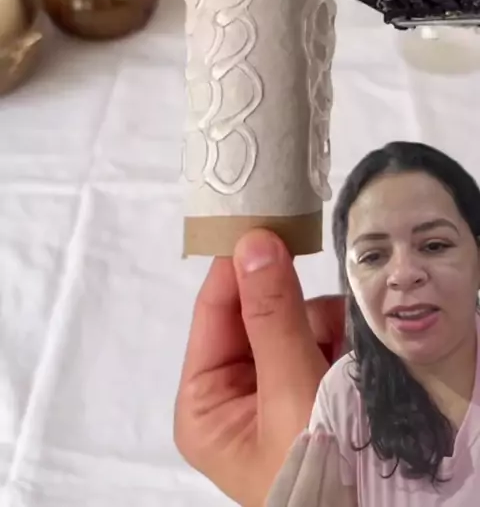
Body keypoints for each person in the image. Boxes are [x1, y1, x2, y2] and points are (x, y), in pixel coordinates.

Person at [174, 141, 480, 506]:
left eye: (434, 245)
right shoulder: (344, 397)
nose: (403, 274)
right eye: (372, 256)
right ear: (349, 281)